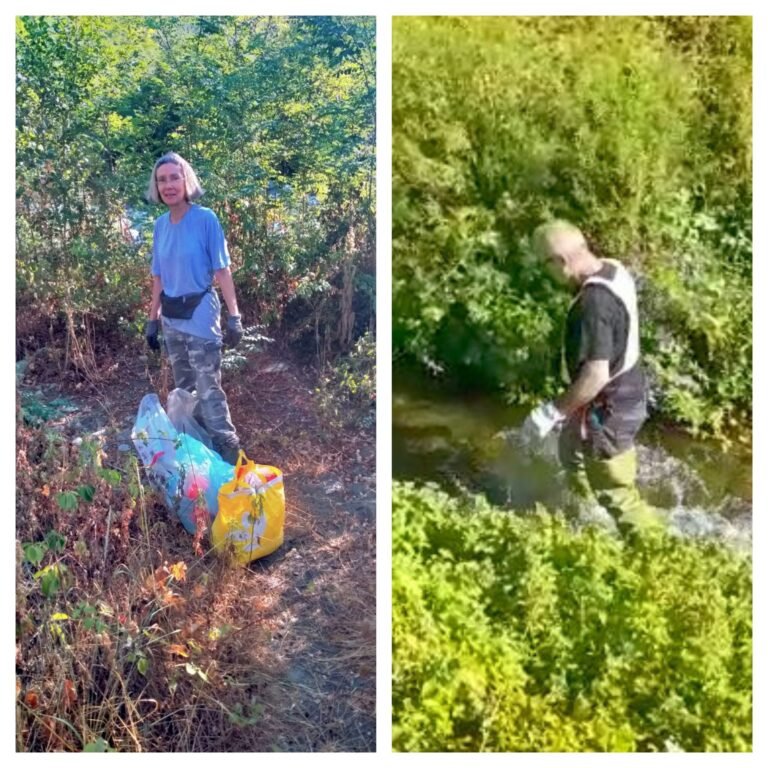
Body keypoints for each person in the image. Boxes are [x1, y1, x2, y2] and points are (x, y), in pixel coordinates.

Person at [521, 220, 663, 536]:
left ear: (559, 261)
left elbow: (595, 375)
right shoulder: (612, 269)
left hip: (609, 408)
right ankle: (588, 520)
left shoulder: (593, 304)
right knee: (570, 448)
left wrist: (550, 412)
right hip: (625, 391)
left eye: (545, 264)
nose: (548, 274)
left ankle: (656, 550)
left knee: (617, 491)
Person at [143, 152, 244, 465]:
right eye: (163, 180)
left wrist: (234, 316)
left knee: (208, 388)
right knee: (184, 389)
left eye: (175, 177)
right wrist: (152, 320)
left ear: (186, 180)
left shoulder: (205, 219)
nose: (169, 185)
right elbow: (159, 276)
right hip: (172, 318)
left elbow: (222, 270)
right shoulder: (161, 226)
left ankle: (228, 453)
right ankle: (195, 450)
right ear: (157, 188)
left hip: (200, 316)